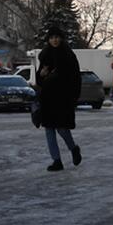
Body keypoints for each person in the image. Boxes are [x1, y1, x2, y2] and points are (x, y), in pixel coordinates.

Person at [37, 26, 82, 172]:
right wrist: (41, 75)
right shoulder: (45, 55)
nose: (54, 40)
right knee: (49, 129)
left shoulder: (68, 55)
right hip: (48, 98)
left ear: (61, 38)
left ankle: (73, 148)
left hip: (63, 98)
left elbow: (76, 78)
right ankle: (57, 161)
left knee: (62, 129)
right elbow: (39, 79)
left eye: (57, 37)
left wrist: (74, 97)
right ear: (48, 40)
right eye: (51, 37)